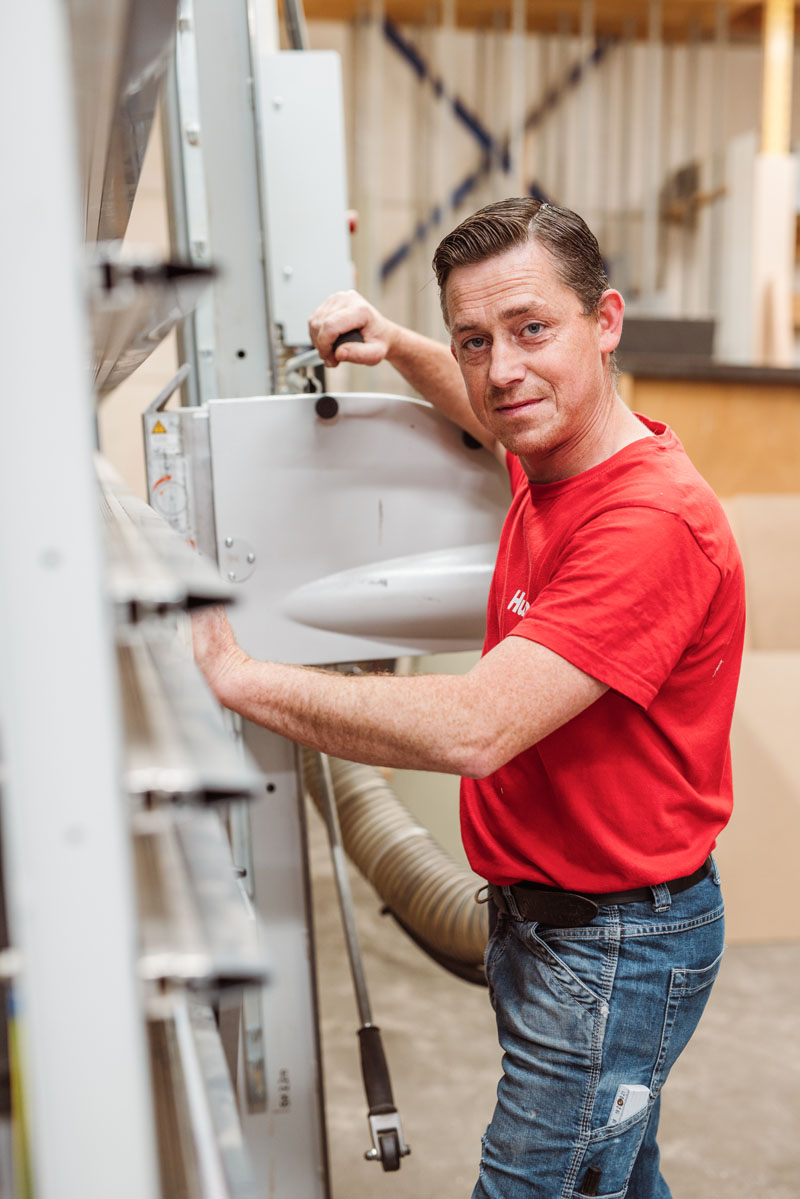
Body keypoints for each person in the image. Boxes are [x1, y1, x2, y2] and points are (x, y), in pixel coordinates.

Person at [192, 197, 745, 1198]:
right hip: (563, 919)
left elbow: (474, 725)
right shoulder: (554, 452)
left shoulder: (648, 522)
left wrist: (241, 676)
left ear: (605, 320)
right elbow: (488, 402)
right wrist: (400, 345)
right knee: (611, 1181)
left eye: (532, 329)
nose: (500, 369)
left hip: (611, 943)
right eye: (473, 339)